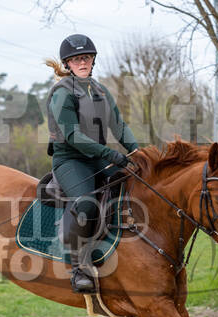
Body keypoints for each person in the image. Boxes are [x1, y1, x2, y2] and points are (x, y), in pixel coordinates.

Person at [45, 34, 139, 293]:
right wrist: (112, 155)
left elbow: (119, 126)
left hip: (97, 157)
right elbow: (73, 136)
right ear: (68, 64)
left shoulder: (100, 90)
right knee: (86, 204)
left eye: (85, 57)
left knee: (136, 184)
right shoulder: (61, 93)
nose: (82, 62)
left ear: (93, 60)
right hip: (70, 159)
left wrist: (139, 153)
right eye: (76, 59)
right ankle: (79, 269)